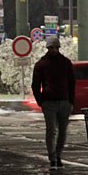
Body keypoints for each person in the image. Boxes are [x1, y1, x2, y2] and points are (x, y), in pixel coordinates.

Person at [31, 35, 76, 168]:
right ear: (48, 48)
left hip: (60, 101)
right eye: (52, 48)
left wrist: (70, 101)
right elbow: (35, 85)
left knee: (60, 131)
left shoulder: (61, 63)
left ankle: (56, 155)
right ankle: (54, 156)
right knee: (53, 130)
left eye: (56, 47)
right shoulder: (48, 64)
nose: (54, 50)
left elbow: (72, 83)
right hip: (52, 102)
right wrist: (41, 101)